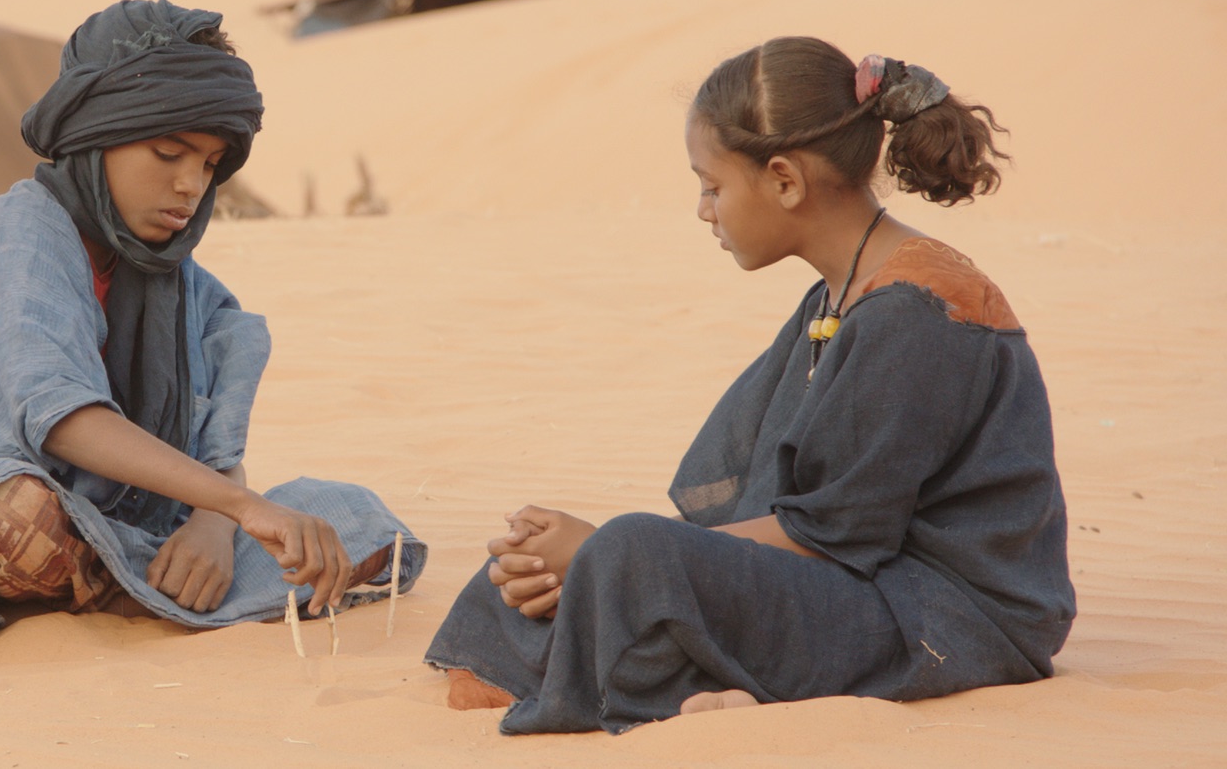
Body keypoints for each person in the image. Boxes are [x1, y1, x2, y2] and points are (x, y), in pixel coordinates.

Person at [423, 36, 1074, 733]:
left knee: (627, 555)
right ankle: (689, 675)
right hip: (856, 584)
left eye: (712, 185)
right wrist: (584, 563)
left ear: (785, 180)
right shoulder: (839, 294)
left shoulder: (916, 311)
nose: (705, 210)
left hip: (941, 616)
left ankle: (680, 685)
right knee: (582, 570)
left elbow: (840, 534)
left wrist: (601, 554)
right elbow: (778, 511)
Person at [0, 0, 423, 664]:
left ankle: (150, 579)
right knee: (12, 518)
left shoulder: (177, 278)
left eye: (212, 164)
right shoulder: (19, 237)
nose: (190, 185)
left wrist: (216, 522)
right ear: (98, 135)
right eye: (168, 152)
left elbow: (214, 437)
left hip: (130, 519)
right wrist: (244, 509)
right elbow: (64, 420)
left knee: (360, 525)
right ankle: (155, 587)